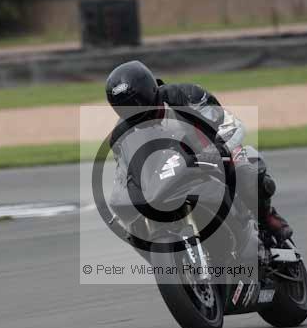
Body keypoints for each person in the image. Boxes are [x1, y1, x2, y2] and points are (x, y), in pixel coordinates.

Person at [106, 60, 292, 243]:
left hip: (212, 154)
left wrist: (218, 148)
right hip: (169, 177)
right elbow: (125, 173)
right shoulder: (120, 136)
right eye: (126, 106)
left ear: (150, 90)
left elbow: (229, 123)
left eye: (138, 101)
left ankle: (268, 218)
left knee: (247, 174)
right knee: (135, 227)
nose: (135, 109)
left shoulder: (185, 95)